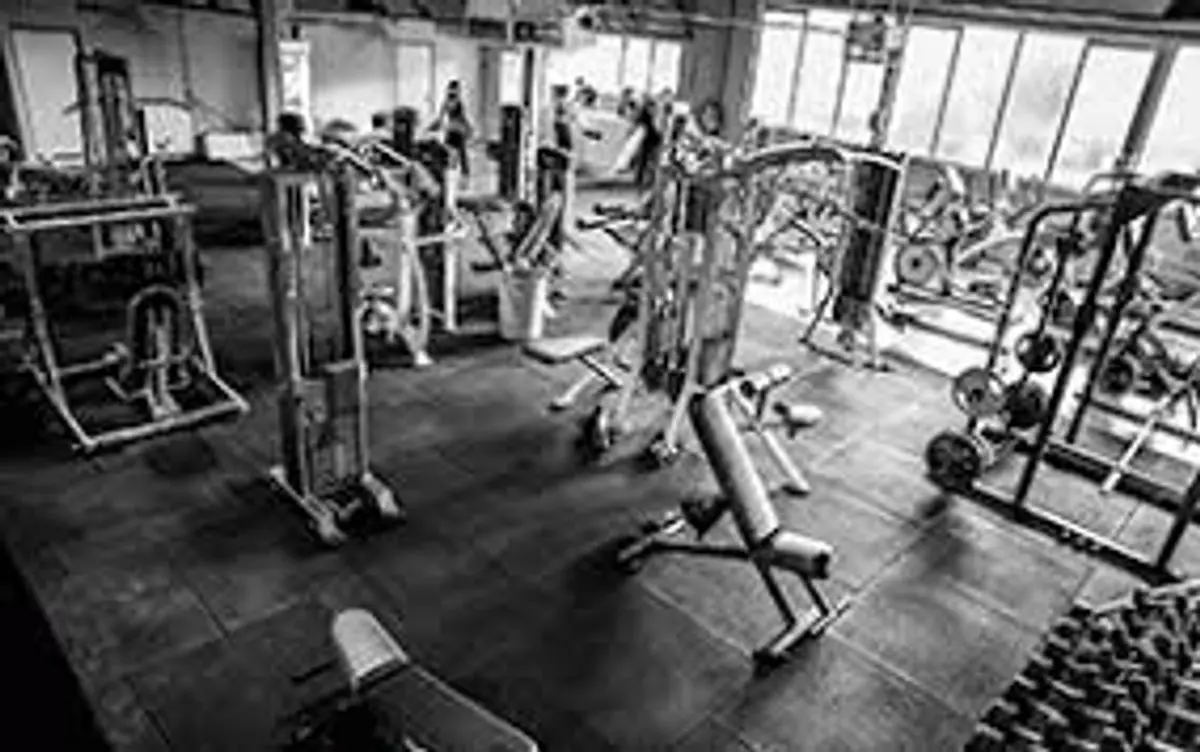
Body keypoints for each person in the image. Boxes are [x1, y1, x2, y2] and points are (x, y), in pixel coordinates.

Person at [431, 80, 473, 180]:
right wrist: (433, 127)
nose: (457, 91)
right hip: (453, 130)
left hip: (456, 130)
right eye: (456, 89)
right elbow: (441, 118)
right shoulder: (452, 102)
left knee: (461, 153)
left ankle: (463, 173)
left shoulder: (454, 102)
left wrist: (468, 128)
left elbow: (461, 117)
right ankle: (456, 171)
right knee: (453, 152)